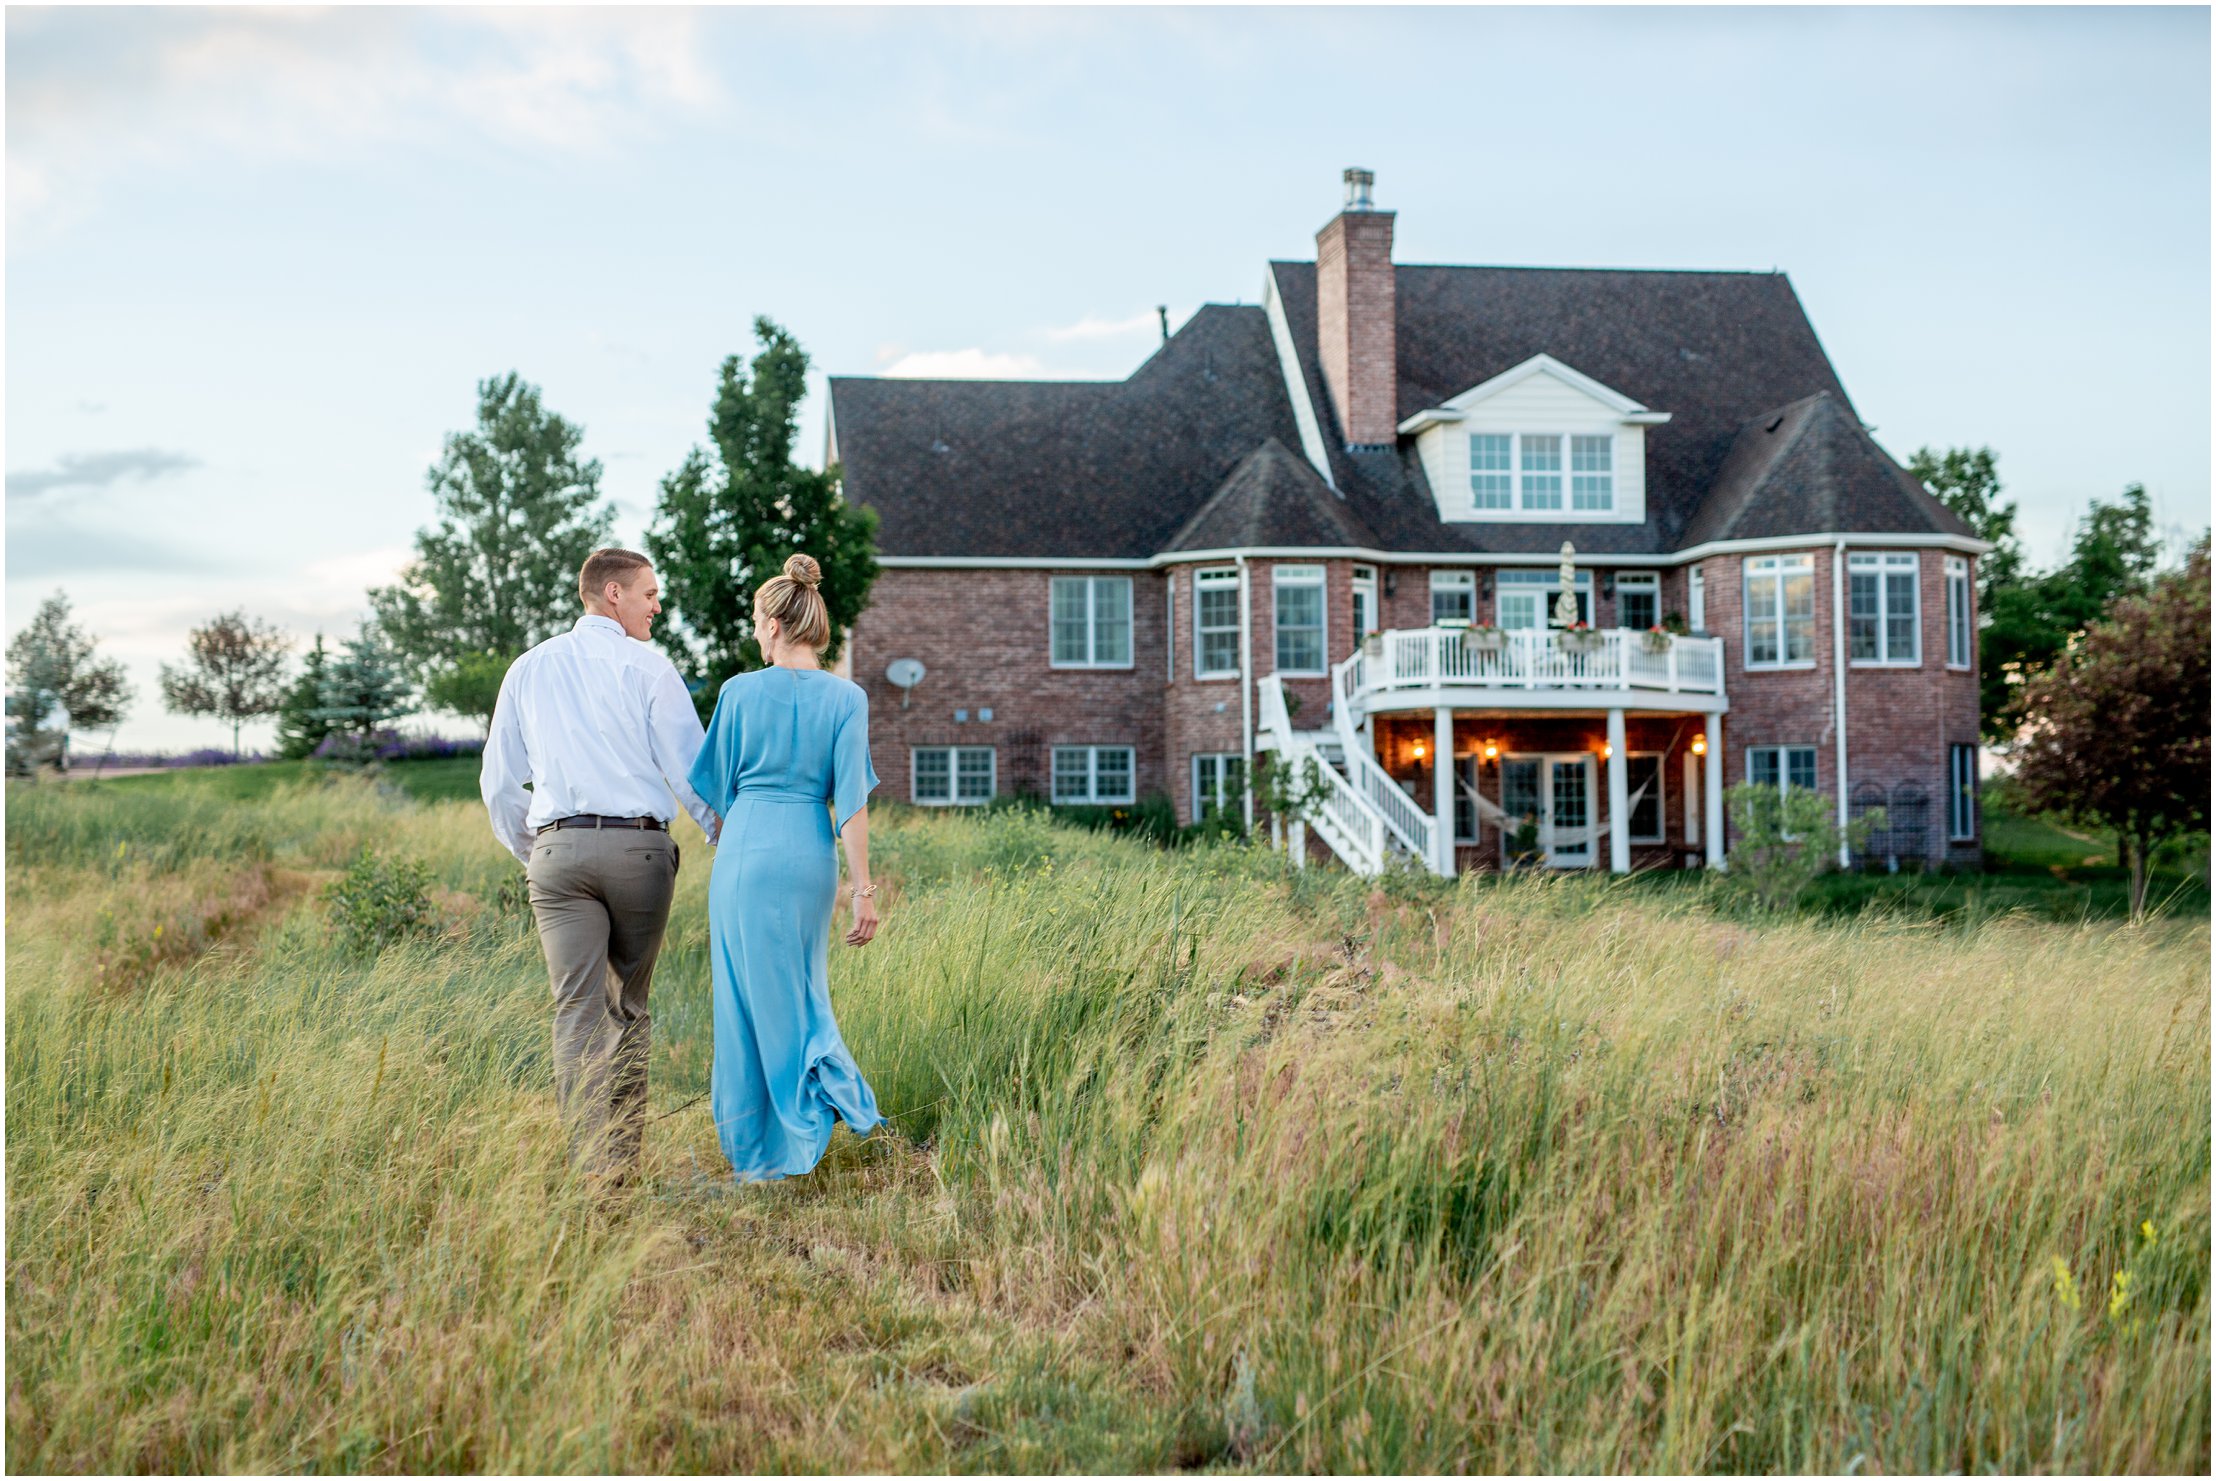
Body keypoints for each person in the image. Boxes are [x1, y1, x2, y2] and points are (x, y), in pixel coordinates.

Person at [480, 547, 722, 1188]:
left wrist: (536, 851)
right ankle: (619, 1171)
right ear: (612, 595)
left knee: (575, 1012)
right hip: (638, 852)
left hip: (556, 856)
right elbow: (690, 771)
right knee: (627, 1010)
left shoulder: (528, 668)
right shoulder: (648, 668)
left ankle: (588, 1169)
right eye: (649, 593)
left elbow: (499, 782)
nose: (658, 605)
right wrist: (725, 835)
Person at [686, 552, 884, 1182]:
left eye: (753, 622)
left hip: (746, 852)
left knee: (743, 1001)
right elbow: (850, 802)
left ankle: (769, 1143)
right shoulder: (848, 698)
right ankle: (814, 1103)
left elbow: (713, 792)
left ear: (772, 625)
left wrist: (738, 826)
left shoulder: (739, 693)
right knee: (801, 986)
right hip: (809, 854)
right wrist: (864, 891)